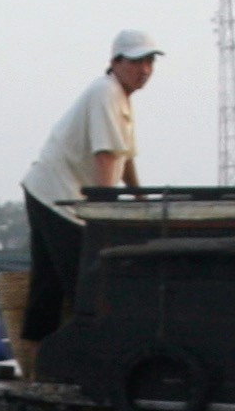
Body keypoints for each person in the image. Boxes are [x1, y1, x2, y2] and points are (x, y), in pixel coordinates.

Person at [19, 29, 162, 342]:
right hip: (59, 195)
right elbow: (106, 156)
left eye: (150, 62)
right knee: (85, 282)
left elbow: (125, 158)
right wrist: (105, 214)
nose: (145, 70)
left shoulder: (119, 97)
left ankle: (37, 359)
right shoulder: (106, 92)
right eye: (137, 62)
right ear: (115, 62)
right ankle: (86, 355)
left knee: (49, 283)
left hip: (50, 192)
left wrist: (139, 199)